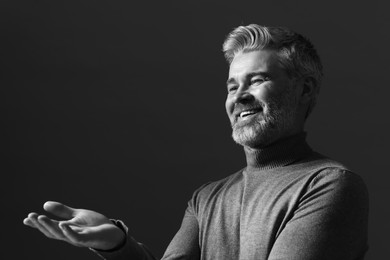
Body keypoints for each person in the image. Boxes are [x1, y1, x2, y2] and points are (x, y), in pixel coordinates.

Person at [23, 24, 369, 260]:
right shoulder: (207, 198)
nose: (240, 97)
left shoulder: (330, 185)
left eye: (258, 80)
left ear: (304, 89)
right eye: (233, 87)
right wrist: (118, 245)